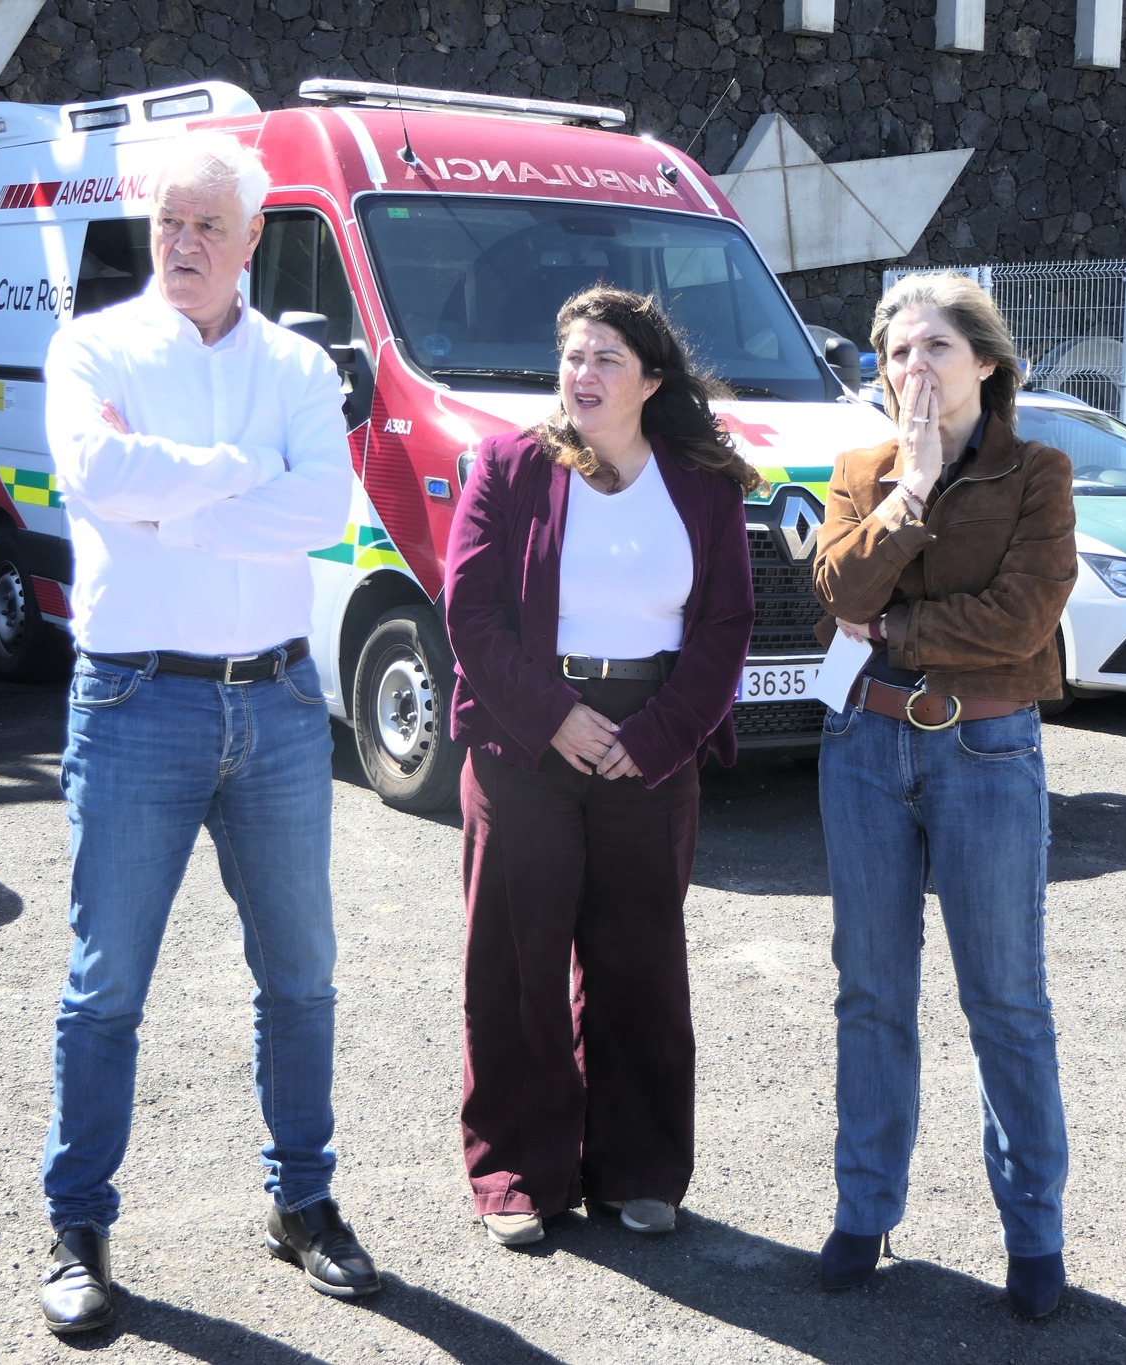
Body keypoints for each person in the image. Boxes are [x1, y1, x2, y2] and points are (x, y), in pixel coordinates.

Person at [34, 130, 376, 1335]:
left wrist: (176, 507)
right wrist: (239, 481)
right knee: (105, 984)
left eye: (205, 228)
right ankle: (78, 1228)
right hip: (134, 701)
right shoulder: (92, 346)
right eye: (166, 224)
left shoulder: (296, 363)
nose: (180, 245)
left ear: (249, 240)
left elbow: (323, 508)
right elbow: (93, 472)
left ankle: (304, 1205)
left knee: (301, 978)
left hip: (279, 704)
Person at [443, 287, 757, 1249]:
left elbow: (727, 625)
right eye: (573, 356)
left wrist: (656, 737)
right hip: (525, 738)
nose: (581, 374)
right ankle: (517, 1171)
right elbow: (469, 609)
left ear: (651, 379)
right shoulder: (511, 463)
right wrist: (555, 718)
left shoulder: (702, 480)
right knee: (517, 960)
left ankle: (639, 1167)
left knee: (640, 962)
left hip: (651, 742)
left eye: (606, 358)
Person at [809, 272, 1077, 1316]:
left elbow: (1018, 620)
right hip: (863, 752)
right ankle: (863, 1210)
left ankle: (1033, 1234)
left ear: (985, 363)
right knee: (869, 992)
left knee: (1005, 1000)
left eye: (931, 349)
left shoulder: (1038, 473)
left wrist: (898, 632)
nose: (910, 369)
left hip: (986, 752)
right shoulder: (859, 468)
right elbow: (837, 593)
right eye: (894, 354)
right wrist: (909, 490)